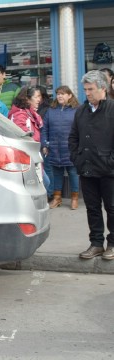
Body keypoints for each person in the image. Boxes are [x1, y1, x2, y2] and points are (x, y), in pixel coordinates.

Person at [69, 70, 114, 260]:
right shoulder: (81, 110)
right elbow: (73, 138)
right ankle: (96, 244)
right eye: (85, 89)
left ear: (102, 88)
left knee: (112, 208)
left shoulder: (112, 108)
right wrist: (76, 158)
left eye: (91, 89)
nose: (87, 93)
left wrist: (110, 161)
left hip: (109, 171)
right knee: (92, 208)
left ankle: (112, 244)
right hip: (86, 169)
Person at [41, 86, 80, 210]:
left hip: (70, 149)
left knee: (73, 173)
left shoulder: (77, 110)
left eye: (63, 94)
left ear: (70, 95)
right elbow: (44, 129)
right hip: (54, 149)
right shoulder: (51, 110)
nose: (59, 96)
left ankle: (74, 198)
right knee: (56, 174)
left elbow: (81, 129)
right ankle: (57, 198)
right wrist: (45, 144)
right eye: (58, 94)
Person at [8, 86, 50, 190]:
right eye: (36, 97)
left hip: (32, 156)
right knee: (42, 184)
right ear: (27, 99)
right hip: (26, 157)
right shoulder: (20, 115)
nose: (39, 100)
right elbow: (21, 136)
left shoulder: (30, 114)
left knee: (42, 184)